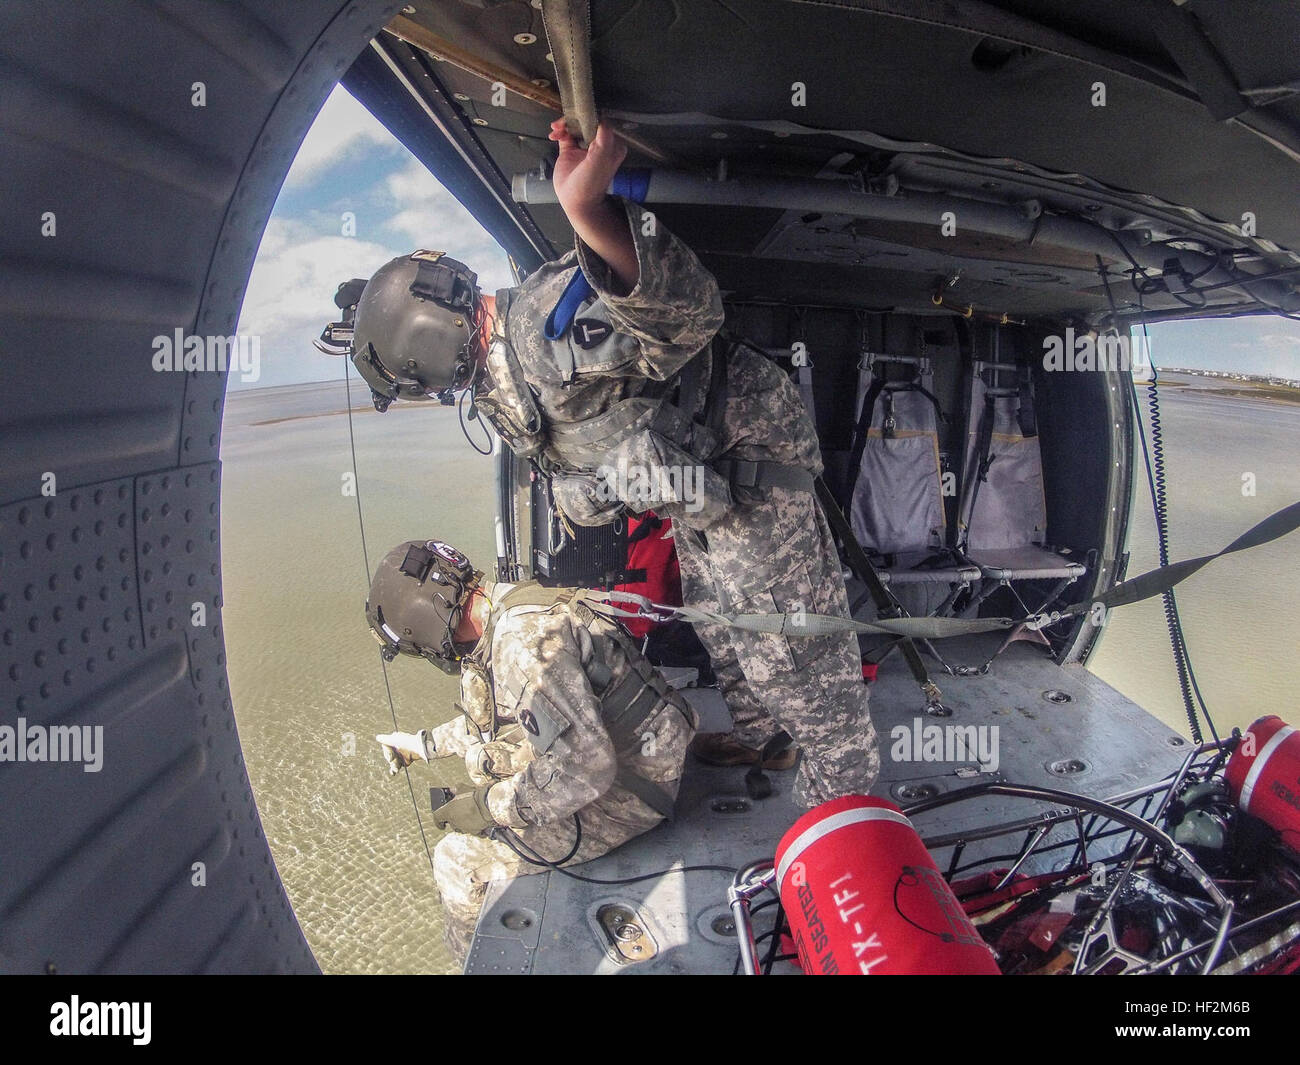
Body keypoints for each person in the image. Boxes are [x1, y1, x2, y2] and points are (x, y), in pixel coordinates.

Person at [343, 118, 877, 806]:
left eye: (423, 385)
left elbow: (691, 312)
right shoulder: (503, 381)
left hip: (748, 459)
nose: (439, 396)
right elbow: (580, 459)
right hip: (696, 482)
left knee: (792, 650)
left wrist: (588, 213)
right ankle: (766, 739)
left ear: (429, 345)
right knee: (716, 615)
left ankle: (848, 810)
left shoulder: (540, 325)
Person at [365, 538, 697, 961]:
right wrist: (422, 745)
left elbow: (587, 768)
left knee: (456, 858)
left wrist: (487, 808)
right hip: (642, 746)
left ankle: (475, 964)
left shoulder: (520, 645)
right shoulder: (511, 603)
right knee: (486, 759)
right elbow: (496, 719)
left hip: (638, 789)